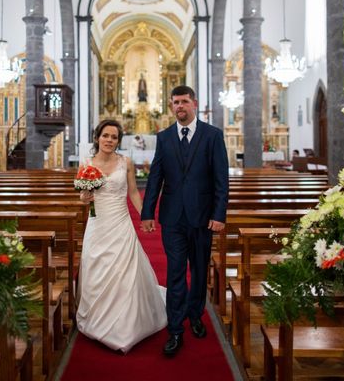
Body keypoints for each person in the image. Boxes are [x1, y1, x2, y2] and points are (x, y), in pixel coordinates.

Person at [141, 85, 229, 357]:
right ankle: (176, 329)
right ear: (171, 106)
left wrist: (218, 214)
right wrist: (147, 213)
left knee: (200, 271)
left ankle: (195, 314)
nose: (179, 106)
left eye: (184, 101)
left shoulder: (212, 135)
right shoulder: (164, 137)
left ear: (194, 103)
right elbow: (155, 177)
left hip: (203, 218)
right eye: (175, 102)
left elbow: (221, 179)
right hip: (173, 217)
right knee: (176, 272)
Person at [76, 119, 167, 352]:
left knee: (124, 271)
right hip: (97, 224)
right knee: (98, 266)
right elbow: (83, 198)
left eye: (114, 137)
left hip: (120, 222)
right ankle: (99, 318)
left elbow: (134, 192)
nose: (109, 140)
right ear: (97, 137)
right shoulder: (86, 163)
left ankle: (127, 323)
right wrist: (84, 198)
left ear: (119, 140)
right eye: (105, 135)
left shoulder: (125, 162)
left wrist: (146, 216)